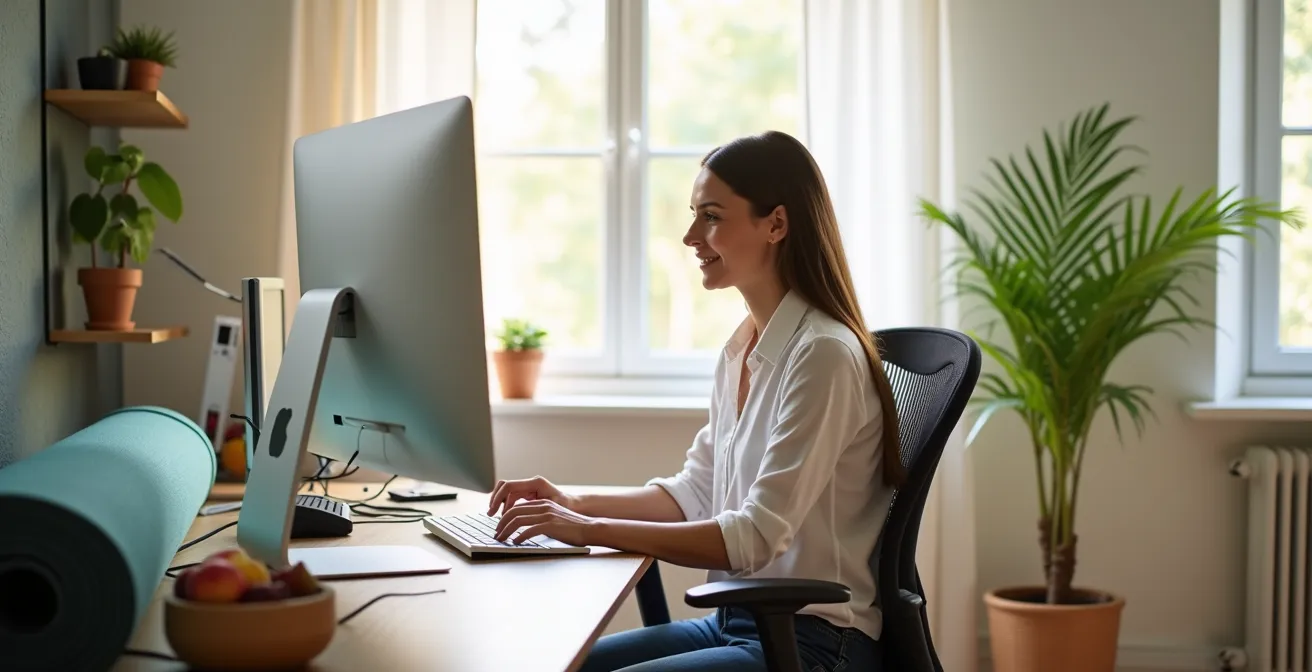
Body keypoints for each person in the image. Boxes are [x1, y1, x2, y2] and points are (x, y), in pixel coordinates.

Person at [488, 130, 903, 672]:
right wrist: (573, 502)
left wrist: (586, 532)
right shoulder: (743, 347)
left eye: (711, 216)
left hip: (815, 642)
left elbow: (754, 537)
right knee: (562, 665)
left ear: (775, 224)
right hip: (737, 621)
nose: (690, 236)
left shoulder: (823, 354)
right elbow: (697, 492)